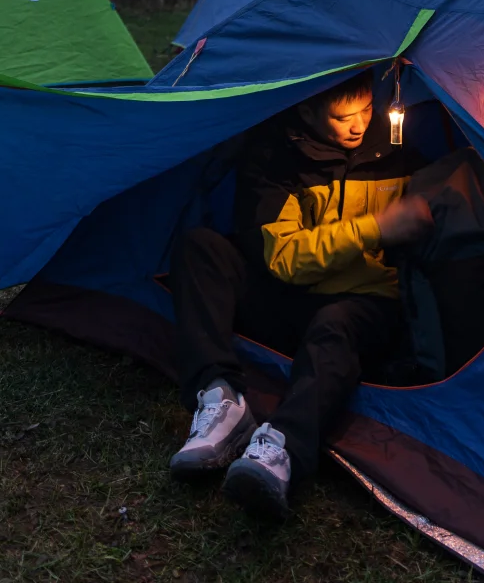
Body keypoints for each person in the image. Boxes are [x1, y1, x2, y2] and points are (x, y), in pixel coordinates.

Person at [167, 72, 433, 519]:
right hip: (287, 294)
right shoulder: (276, 158)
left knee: (336, 326)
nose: (359, 125)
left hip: (361, 301)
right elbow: (285, 257)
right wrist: (376, 228)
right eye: (342, 117)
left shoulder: (397, 151)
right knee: (201, 249)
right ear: (308, 110)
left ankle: (280, 449)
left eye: (366, 109)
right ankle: (220, 397)